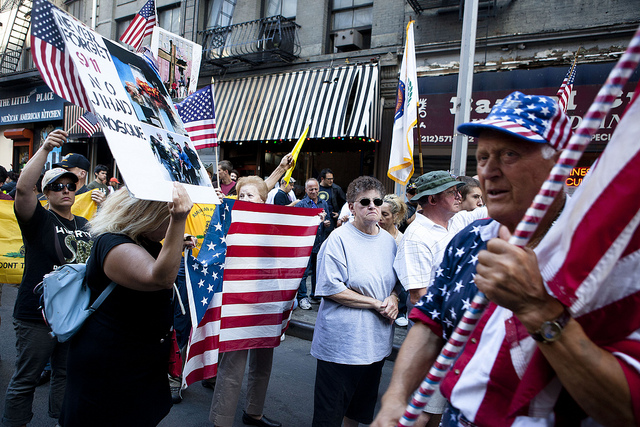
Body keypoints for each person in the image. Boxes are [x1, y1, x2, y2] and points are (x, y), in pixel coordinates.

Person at [372, 92, 636, 426]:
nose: (489, 170)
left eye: (509, 154)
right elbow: (430, 324)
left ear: (560, 163)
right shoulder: (469, 239)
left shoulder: (604, 256)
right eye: (482, 157)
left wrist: (538, 310)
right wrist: (396, 397)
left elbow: (626, 407)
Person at [59, 182, 193, 426]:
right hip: (110, 367)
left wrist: (174, 241)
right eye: (166, 218)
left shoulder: (143, 240)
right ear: (148, 216)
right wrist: (178, 219)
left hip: (136, 363)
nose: (167, 228)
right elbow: (160, 277)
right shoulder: (112, 242)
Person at [2, 129, 92, 427]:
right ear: (46, 192)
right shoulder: (39, 219)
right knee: (26, 377)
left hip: (74, 315)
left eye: (70, 185)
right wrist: (44, 148)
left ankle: (60, 420)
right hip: (35, 314)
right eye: (56, 186)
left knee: (66, 374)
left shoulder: (86, 224)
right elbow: (24, 190)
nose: (65, 190)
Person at [392, 170, 488, 426]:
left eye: (458, 191)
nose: (459, 196)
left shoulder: (456, 222)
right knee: (426, 413)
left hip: (460, 336)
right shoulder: (415, 237)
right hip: (435, 339)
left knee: (447, 409)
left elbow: (491, 211)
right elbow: (418, 296)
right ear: (432, 200)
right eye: (452, 192)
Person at [311, 176, 400, 427]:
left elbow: (395, 282)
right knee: (330, 415)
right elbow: (330, 289)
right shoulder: (338, 240)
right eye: (365, 201)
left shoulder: (388, 241)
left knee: (359, 410)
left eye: (377, 201)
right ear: (351, 207)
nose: (373, 206)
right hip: (342, 346)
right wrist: (375, 303)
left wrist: (393, 297)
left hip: (376, 344)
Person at [209, 175, 282, 427]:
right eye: (241, 195)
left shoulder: (276, 224)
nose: (245, 199)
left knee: (263, 361)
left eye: (251, 195)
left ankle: (254, 413)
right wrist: (218, 208)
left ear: (263, 200)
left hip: (267, 299)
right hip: (238, 299)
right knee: (233, 364)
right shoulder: (229, 219)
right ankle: (222, 420)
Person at [295, 178, 331, 309]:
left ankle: (316, 295)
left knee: (318, 271)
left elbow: (327, 222)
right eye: (311, 189)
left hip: (320, 242)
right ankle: (302, 297)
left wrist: (326, 223)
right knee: (304, 272)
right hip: (306, 243)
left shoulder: (323, 203)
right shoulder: (301, 205)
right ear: (306, 190)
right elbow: (297, 225)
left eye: (316, 189)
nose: (314, 191)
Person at [378, 194, 409, 327]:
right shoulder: (371, 233)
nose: (380, 218)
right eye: (379, 213)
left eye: (385, 214)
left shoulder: (402, 239)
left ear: (395, 216)